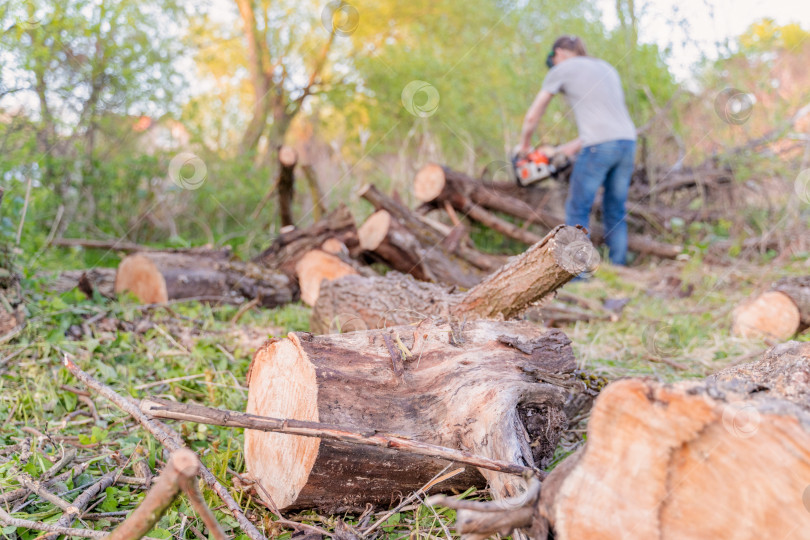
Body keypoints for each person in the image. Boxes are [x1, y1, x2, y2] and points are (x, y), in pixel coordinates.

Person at [518, 35, 636, 265]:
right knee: (615, 208)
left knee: (577, 209)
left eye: (553, 60)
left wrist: (524, 147)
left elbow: (533, 116)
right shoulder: (606, 68)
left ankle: (578, 273)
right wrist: (559, 151)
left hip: (599, 146)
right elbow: (600, 130)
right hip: (627, 142)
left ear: (559, 53)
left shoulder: (563, 68)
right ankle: (618, 267)